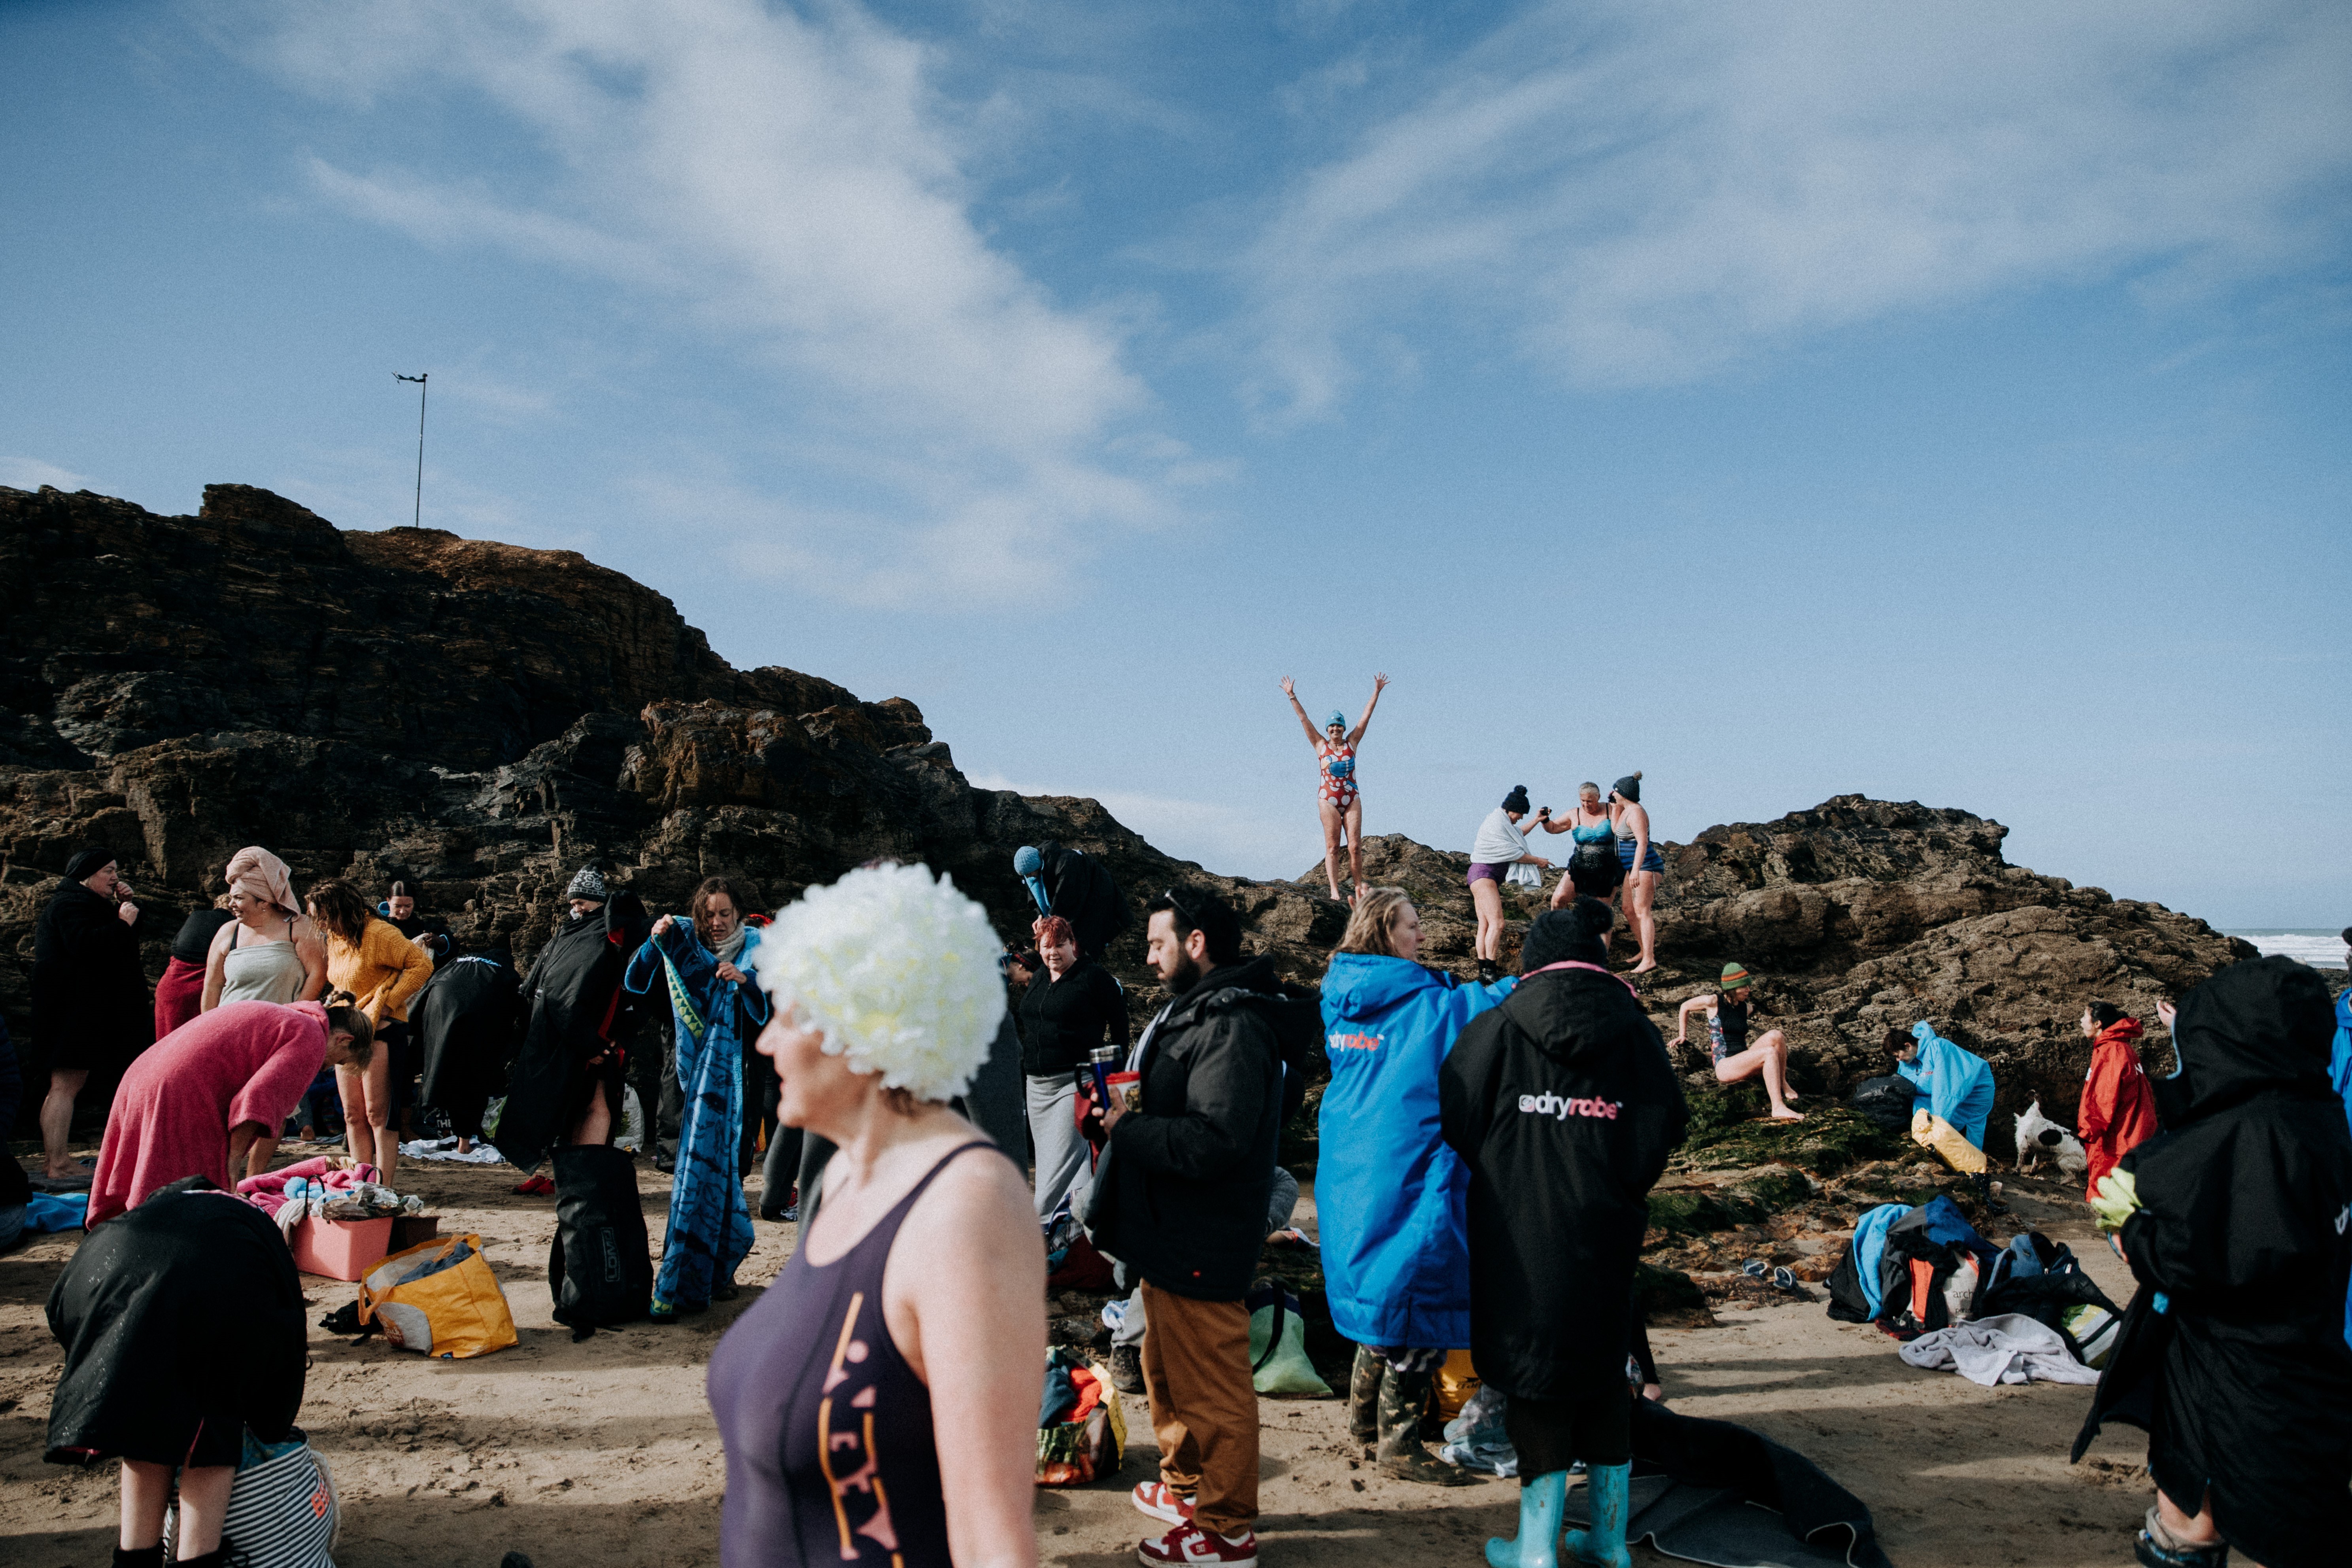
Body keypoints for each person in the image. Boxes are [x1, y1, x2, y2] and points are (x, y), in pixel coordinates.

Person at [708, 863, 1043, 1568]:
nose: (766, 1042)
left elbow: (992, 1540)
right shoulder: (838, 1182)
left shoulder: (963, 1206)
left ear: (863, 1021)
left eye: (790, 1014)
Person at [2073, 956, 2352, 1568]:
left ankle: (2179, 1548)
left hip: (2241, 1368)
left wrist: (2134, 1232)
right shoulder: (2319, 1113)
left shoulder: (2258, 1133)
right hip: (2310, 1351)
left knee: (2205, 1519)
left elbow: (2222, 1263)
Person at [1440, 899, 1687, 1568]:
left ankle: (1534, 1547)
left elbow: (1457, 1109)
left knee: (1533, 1376)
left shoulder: (1496, 1027)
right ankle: (1607, 1540)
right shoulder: (1633, 1030)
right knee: (1603, 1370)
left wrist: (1505, 1164)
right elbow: (1664, 1121)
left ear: (1530, 962)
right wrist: (1616, 1183)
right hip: (1605, 1226)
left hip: (1517, 1230)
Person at [1092, 888, 1283, 1568]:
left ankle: (1227, 1529)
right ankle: (1188, 1488)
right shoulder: (1197, 1010)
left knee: (1214, 1390)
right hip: (1167, 1232)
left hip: (1203, 1234)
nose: (1148, 959)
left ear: (1194, 942)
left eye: (1156, 944)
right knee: (1165, 1370)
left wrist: (1129, 1127)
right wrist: (1123, 1113)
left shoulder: (1232, 1023)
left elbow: (1216, 1140)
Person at [1319, 888, 1508, 1485]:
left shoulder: (1343, 998)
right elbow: (1482, 1006)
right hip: (1407, 1166)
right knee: (1413, 1300)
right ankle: (1399, 1445)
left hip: (1351, 1167)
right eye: (1413, 924)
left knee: (1379, 1300)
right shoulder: (1419, 1005)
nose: (1421, 936)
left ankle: (1361, 1429)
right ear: (1384, 930)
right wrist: (1557, 975)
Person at [47, 1178, 311, 1568]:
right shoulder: (252, 1223)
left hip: (94, 1276)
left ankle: (135, 1558)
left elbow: (60, 1311)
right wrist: (268, 1416)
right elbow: (288, 1330)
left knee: (145, 1423)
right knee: (214, 1425)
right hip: (209, 1289)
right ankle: (196, 1559)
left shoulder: (148, 1214)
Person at [86, 998, 376, 1226]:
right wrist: (232, 1165)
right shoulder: (311, 1036)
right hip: (178, 1088)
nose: (327, 1069)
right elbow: (255, 1104)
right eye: (339, 1062)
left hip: (140, 1076)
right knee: (185, 1200)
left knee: (143, 1187)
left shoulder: (287, 1015)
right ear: (344, 1040)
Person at [624, 876, 771, 1320]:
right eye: (709, 914)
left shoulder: (760, 948)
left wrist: (745, 982)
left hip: (738, 1075)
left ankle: (720, 1269)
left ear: (740, 914)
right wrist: (655, 940)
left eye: (725, 913)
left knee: (730, 1170)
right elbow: (636, 979)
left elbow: (770, 1009)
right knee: (689, 1174)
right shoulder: (683, 936)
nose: (717, 922)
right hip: (685, 1075)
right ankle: (688, 1263)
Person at [499, 866, 637, 1175]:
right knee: (589, 1104)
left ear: (599, 901)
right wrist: (590, 1041)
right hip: (579, 1038)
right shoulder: (573, 934)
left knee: (594, 1102)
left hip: (585, 1038)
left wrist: (599, 1039)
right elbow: (559, 990)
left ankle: (582, 1173)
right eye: (573, 903)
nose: (576, 908)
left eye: (583, 902)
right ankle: (580, 1174)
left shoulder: (597, 935)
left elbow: (597, 989)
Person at [31, 847, 149, 1190]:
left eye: (115, 870)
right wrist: (122, 921)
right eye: (108, 871)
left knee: (69, 1083)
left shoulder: (84, 904)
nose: (115, 876)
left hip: (76, 1010)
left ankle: (58, 1160)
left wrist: (125, 911)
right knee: (65, 1084)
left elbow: (117, 946)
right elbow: (86, 946)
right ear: (86, 874)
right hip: (69, 1011)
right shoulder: (69, 904)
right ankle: (58, 1164)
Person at [306, 879, 432, 1183]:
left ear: (340, 910)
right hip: (346, 1030)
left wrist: (389, 1002)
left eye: (322, 916)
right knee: (352, 1114)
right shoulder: (336, 938)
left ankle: (383, 1184)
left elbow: (420, 965)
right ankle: (358, 1181)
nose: (319, 924)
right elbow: (340, 983)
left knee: (378, 1114)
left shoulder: (379, 932)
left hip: (381, 1030)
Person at [1019, 914, 1130, 1220]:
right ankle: (1073, 1225)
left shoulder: (1093, 978)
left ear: (1073, 945)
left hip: (1073, 1082)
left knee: (1061, 1162)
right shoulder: (1042, 974)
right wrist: (1041, 930)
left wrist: (1119, 1072)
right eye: (1046, 946)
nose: (1053, 952)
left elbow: (1120, 1022)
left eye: (1060, 945)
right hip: (1036, 1086)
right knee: (1051, 1161)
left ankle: (1041, 1226)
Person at [1278, 673, 1390, 903]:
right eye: (1332, 727)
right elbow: (1304, 719)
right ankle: (1334, 890)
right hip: (1328, 799)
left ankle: (1359, 889)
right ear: (1328, 730)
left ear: (1343, 728)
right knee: (1333, 847)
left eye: (1339, 726)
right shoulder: (1320, 745)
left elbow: (1365, 718)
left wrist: (1377, 692)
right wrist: (1292, 695)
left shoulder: (1352, 743)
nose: (1336, 730)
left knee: (1356, 847)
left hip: (1352, 798)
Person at [411, 947, 523, 1154]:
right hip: (479, 1022)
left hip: (441, 1011)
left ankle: (447, 1126)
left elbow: (425, 992)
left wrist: (410, 1026)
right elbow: (521, 1005)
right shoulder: (506, 971)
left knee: (441, 1071)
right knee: (474, 1080)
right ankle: (465, 1141)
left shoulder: (454, 963)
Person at [1888, 1021, 2003, 1213]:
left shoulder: (1939, 1048)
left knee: (1965, 1135)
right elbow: (1909, 1089)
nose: (1898, 1061)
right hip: (1942, 1096)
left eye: (1898, 1056)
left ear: (1907, 1046)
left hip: (1974, 1093)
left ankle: (1979, 1184)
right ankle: (1962, 1173)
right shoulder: (1909, 1062)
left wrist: (1938, 1125)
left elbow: (1947, 1089)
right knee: (1936, 1130)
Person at [1672, 964, 1803, 1120]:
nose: (1749, 990)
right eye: (1745, 986)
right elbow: (1684, 1007)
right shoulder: (1713, 1002)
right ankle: (1778, 1107)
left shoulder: (1745, 1007)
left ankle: (1783, 1083)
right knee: (1769, 1053)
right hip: (1725, 1065)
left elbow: (1760, 1008)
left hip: (1743, 1058)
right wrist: (1682, 1035)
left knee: (1777, 1035)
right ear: (1733, 987)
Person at [202, 847, 327, 1012]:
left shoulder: (298, 926)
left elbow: (318, 974)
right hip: (230, 1026)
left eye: (239, 898)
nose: (231, 904)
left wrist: (293, 1015)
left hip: (278, 1027)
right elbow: (213, 986)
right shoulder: (229, 931)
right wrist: (211, 1027)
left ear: (264, 902)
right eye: (231, 897)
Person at [2076, 1001, 2157, 1206]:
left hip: (2119, 1136)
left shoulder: (2111, 1051)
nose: (2081, 1022)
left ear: (2098, 1024)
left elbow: (2104, 1098)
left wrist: (2088, 1131)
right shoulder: (2121, 1047)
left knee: (2109, 1193)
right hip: (2134, 1129)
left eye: (2085, 1017)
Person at [1468, 787, 1551, 981]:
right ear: (1511, 809)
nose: (1520, 818)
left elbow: (1517, 834)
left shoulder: (1501, 820)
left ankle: (1483, 972)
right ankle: (1489, 971)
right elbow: (1514, 852)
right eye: (1520, 814)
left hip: (1479, 875)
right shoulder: (1497, 822)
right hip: (1484, 875)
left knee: (1486, 925)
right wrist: (1538, 861)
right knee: (1498, 924)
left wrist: (1538, 820)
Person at [1011, 840, 1129, 962]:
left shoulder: (1067, 863)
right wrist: (1041, 916)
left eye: (1031, 874)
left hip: (1096, 902)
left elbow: (1066, 900)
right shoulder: (1032, 872)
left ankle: (1078, 970)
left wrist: (1048, 920)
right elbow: (1037, 897)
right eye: (1026, 876)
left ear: (1039, 865)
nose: (1030, 877)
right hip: (1074, 908)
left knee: (1077, 945)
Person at [155, 899, 233, 1040]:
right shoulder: (233, 926)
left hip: (169, 984)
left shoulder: (196, 915)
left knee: (167, 1043)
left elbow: (175, 945)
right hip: (198, 989)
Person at [1608, 773, 1662, 975]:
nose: (1612, 793)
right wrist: (1615, 809)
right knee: (1628, 909)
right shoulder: (1625, 810)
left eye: (1615, 790)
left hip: (1646, 866)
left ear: (1622, 792)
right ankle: (1643, 950)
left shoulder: (1637, 813)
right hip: (1632, 867)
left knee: (1642, 911)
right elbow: (1617, 831)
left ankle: (1649, 959)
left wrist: (1637, 870)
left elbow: (1643, 842)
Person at [1544, 782, 1622, 916]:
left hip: (1607, 869)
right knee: (1558, 900)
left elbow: (1630, 822)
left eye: (1590, 801)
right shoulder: (1574, 814)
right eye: (1583, 801)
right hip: (1580, 867)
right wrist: (1545, 819)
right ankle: (1559, 934)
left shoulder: (1611, 809)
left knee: (1600, 912)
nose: (1586, 804)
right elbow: (1553, 828)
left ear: (1598, 797)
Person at [380, 880, 452, 967]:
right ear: (388, 901)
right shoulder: (377, 924)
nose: (403, 912)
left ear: (414, 903)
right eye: (398, 906)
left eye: (408, 906)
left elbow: (452, 952)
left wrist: (441, 942)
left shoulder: (425, 927)